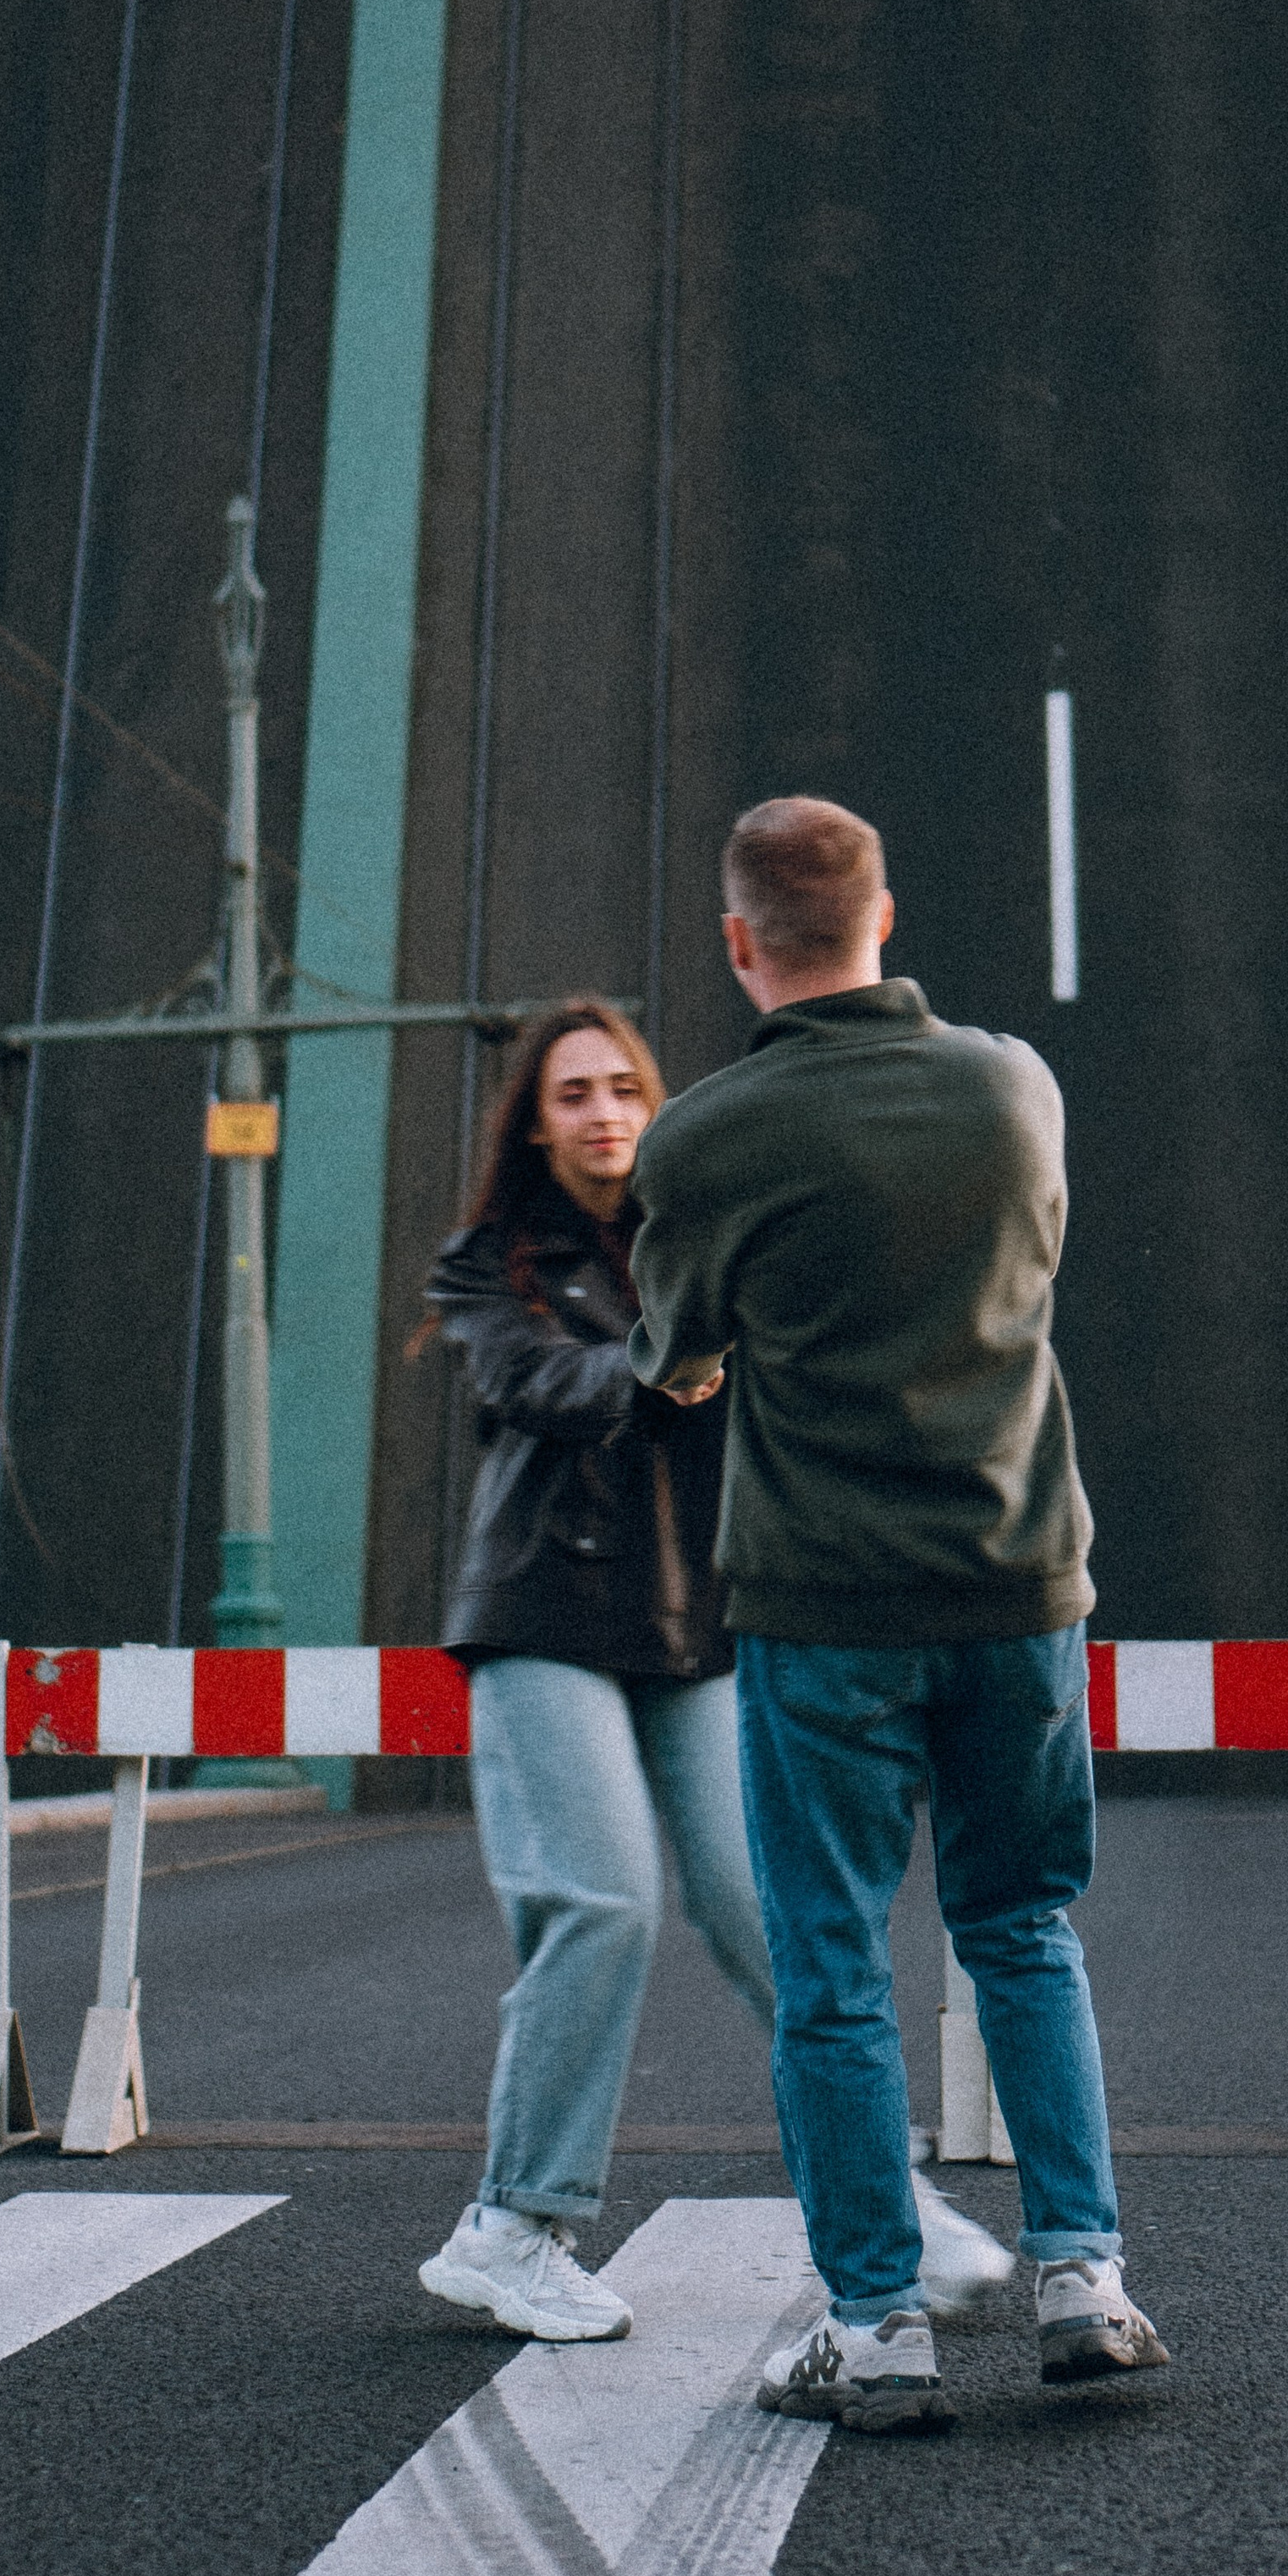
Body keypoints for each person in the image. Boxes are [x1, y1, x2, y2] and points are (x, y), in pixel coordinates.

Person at [627, 797, 1168, 2436]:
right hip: (1016, 1582)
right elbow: (1028, 1269)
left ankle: (873, 2328)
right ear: (885, 915)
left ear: (740, 941)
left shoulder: (703, 1138)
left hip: (825, 1606)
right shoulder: (1013, 1087)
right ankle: (1084, 2278)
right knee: (1022, 1926)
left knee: (833, 1965)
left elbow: (675, 1359)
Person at [410, 998, 773, 2344]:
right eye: (574, 1094)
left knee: (769, 1912)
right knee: (605, 1902)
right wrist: (661, 1367)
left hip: (692, 1619)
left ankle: (881, 2200)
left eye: (624, 1087)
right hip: (544, 1610)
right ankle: (513, 2224)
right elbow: (532, 1382)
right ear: (536, 1124)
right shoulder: (486, 1266)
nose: (605, 1112)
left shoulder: (704, 1243)